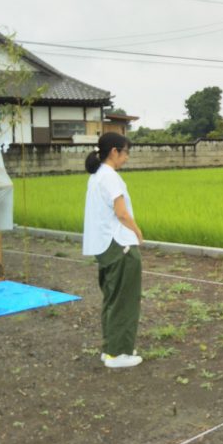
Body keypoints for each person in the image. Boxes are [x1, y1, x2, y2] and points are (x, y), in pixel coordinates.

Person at [82, 132, 144, 369]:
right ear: (114, 152)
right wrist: (138, 232)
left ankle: (111, 348)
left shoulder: (97, 176)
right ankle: (118, 354)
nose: (126, 158)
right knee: (125, 300)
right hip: (120, 245)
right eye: (125, 152)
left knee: (112, 297)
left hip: (105, 247)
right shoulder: (111, 177)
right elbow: (121, 213)